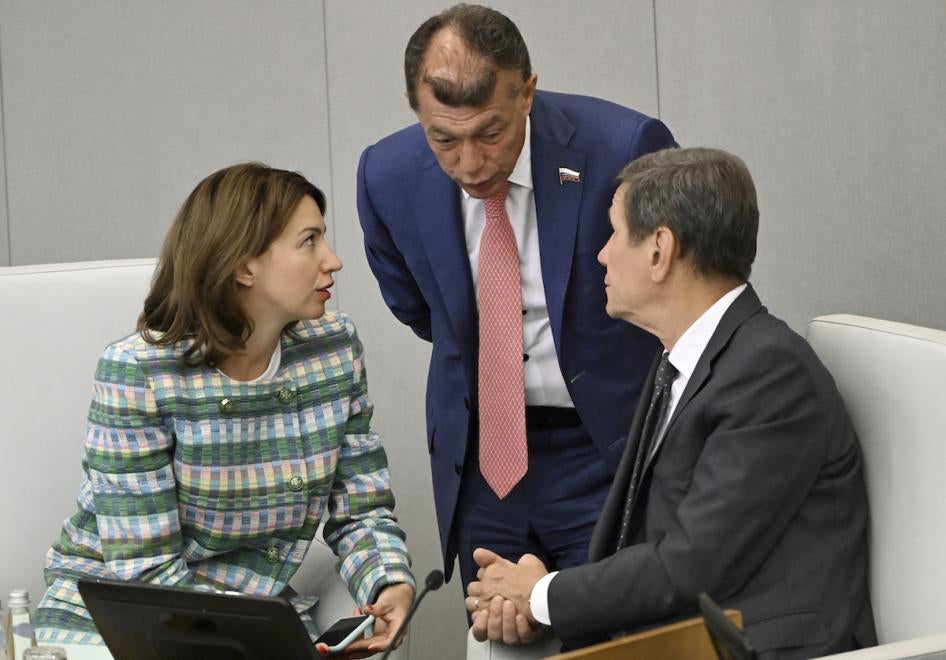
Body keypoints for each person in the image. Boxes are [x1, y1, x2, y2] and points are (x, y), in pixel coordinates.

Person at [466, 147, 877, 658]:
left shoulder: (770, 373)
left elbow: (692, 565)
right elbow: (654, 547)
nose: (602, 254)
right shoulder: (682, 359)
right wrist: (543, 592)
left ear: (659, 250)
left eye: (614, 232)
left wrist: (541, 595)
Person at [357, 3, 676, 590]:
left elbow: (678, 295)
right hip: (484, 463)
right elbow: (421, 310)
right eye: (444, 140)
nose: (470, 163)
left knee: (613, 638)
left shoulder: (621, 147)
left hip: (605, 452)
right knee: (499, 634)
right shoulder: (387, 174)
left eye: (490, 133)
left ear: (527, 93)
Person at [35, 163, 415, 656]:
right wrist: (265, 640)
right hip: (119, 612)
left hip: (250, 605)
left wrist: (389, 584)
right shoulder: (138, 372)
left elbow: (360, 508)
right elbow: (146, 572)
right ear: (243, 266)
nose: (334, 260)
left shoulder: (334, 348)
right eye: (309, 241)